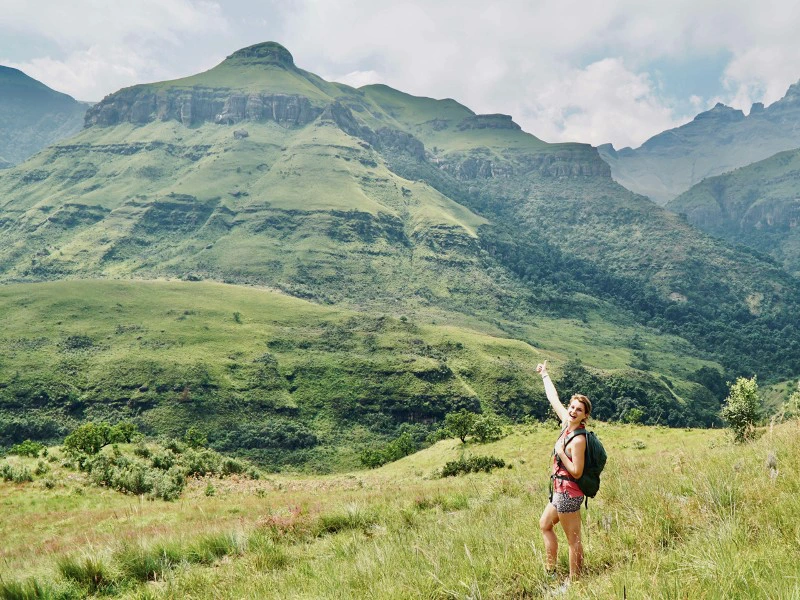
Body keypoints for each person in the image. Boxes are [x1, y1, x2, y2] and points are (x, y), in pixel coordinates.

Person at [536, 359, 592, 585]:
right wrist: (544, 374)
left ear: (585, 416)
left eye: (579, 410)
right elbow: (553, 399)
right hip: (559, 491)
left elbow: (577, 472)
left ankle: (574, 582)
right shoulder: (566, 425)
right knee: (545, 524)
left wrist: (560, 452)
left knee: (573, 540)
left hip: (569, 492)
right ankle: (551, 571)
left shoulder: (578, 439)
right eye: (572, 407)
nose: (573, 411)